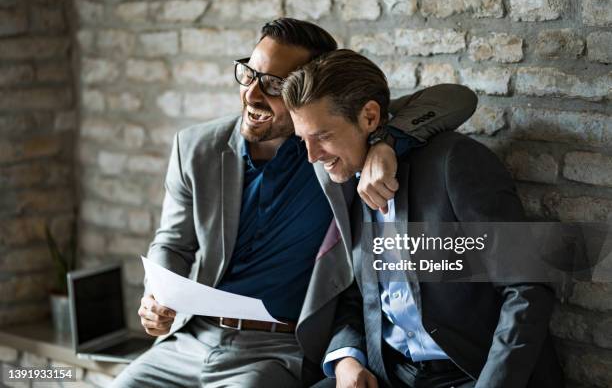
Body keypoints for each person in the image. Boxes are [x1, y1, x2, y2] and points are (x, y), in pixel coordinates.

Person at [111, 19, 478, 387]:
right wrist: (157, 295)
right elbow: (172, 242)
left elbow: (457, 98)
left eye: (273, 85)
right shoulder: (195, 147)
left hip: (276, 349)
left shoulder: (328, 148)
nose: (253, 94)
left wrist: (388, 143)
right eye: (250, 74)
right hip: (191, 339)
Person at [283, 49, 564, 388]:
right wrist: (346, 359)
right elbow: (356, 293)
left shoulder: (455, 163)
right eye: (304, 140)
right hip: (389, 372)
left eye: (323, 136)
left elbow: (527, 287)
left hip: (471, 372)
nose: (312, 156)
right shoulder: (341, 180)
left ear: (370, 117)